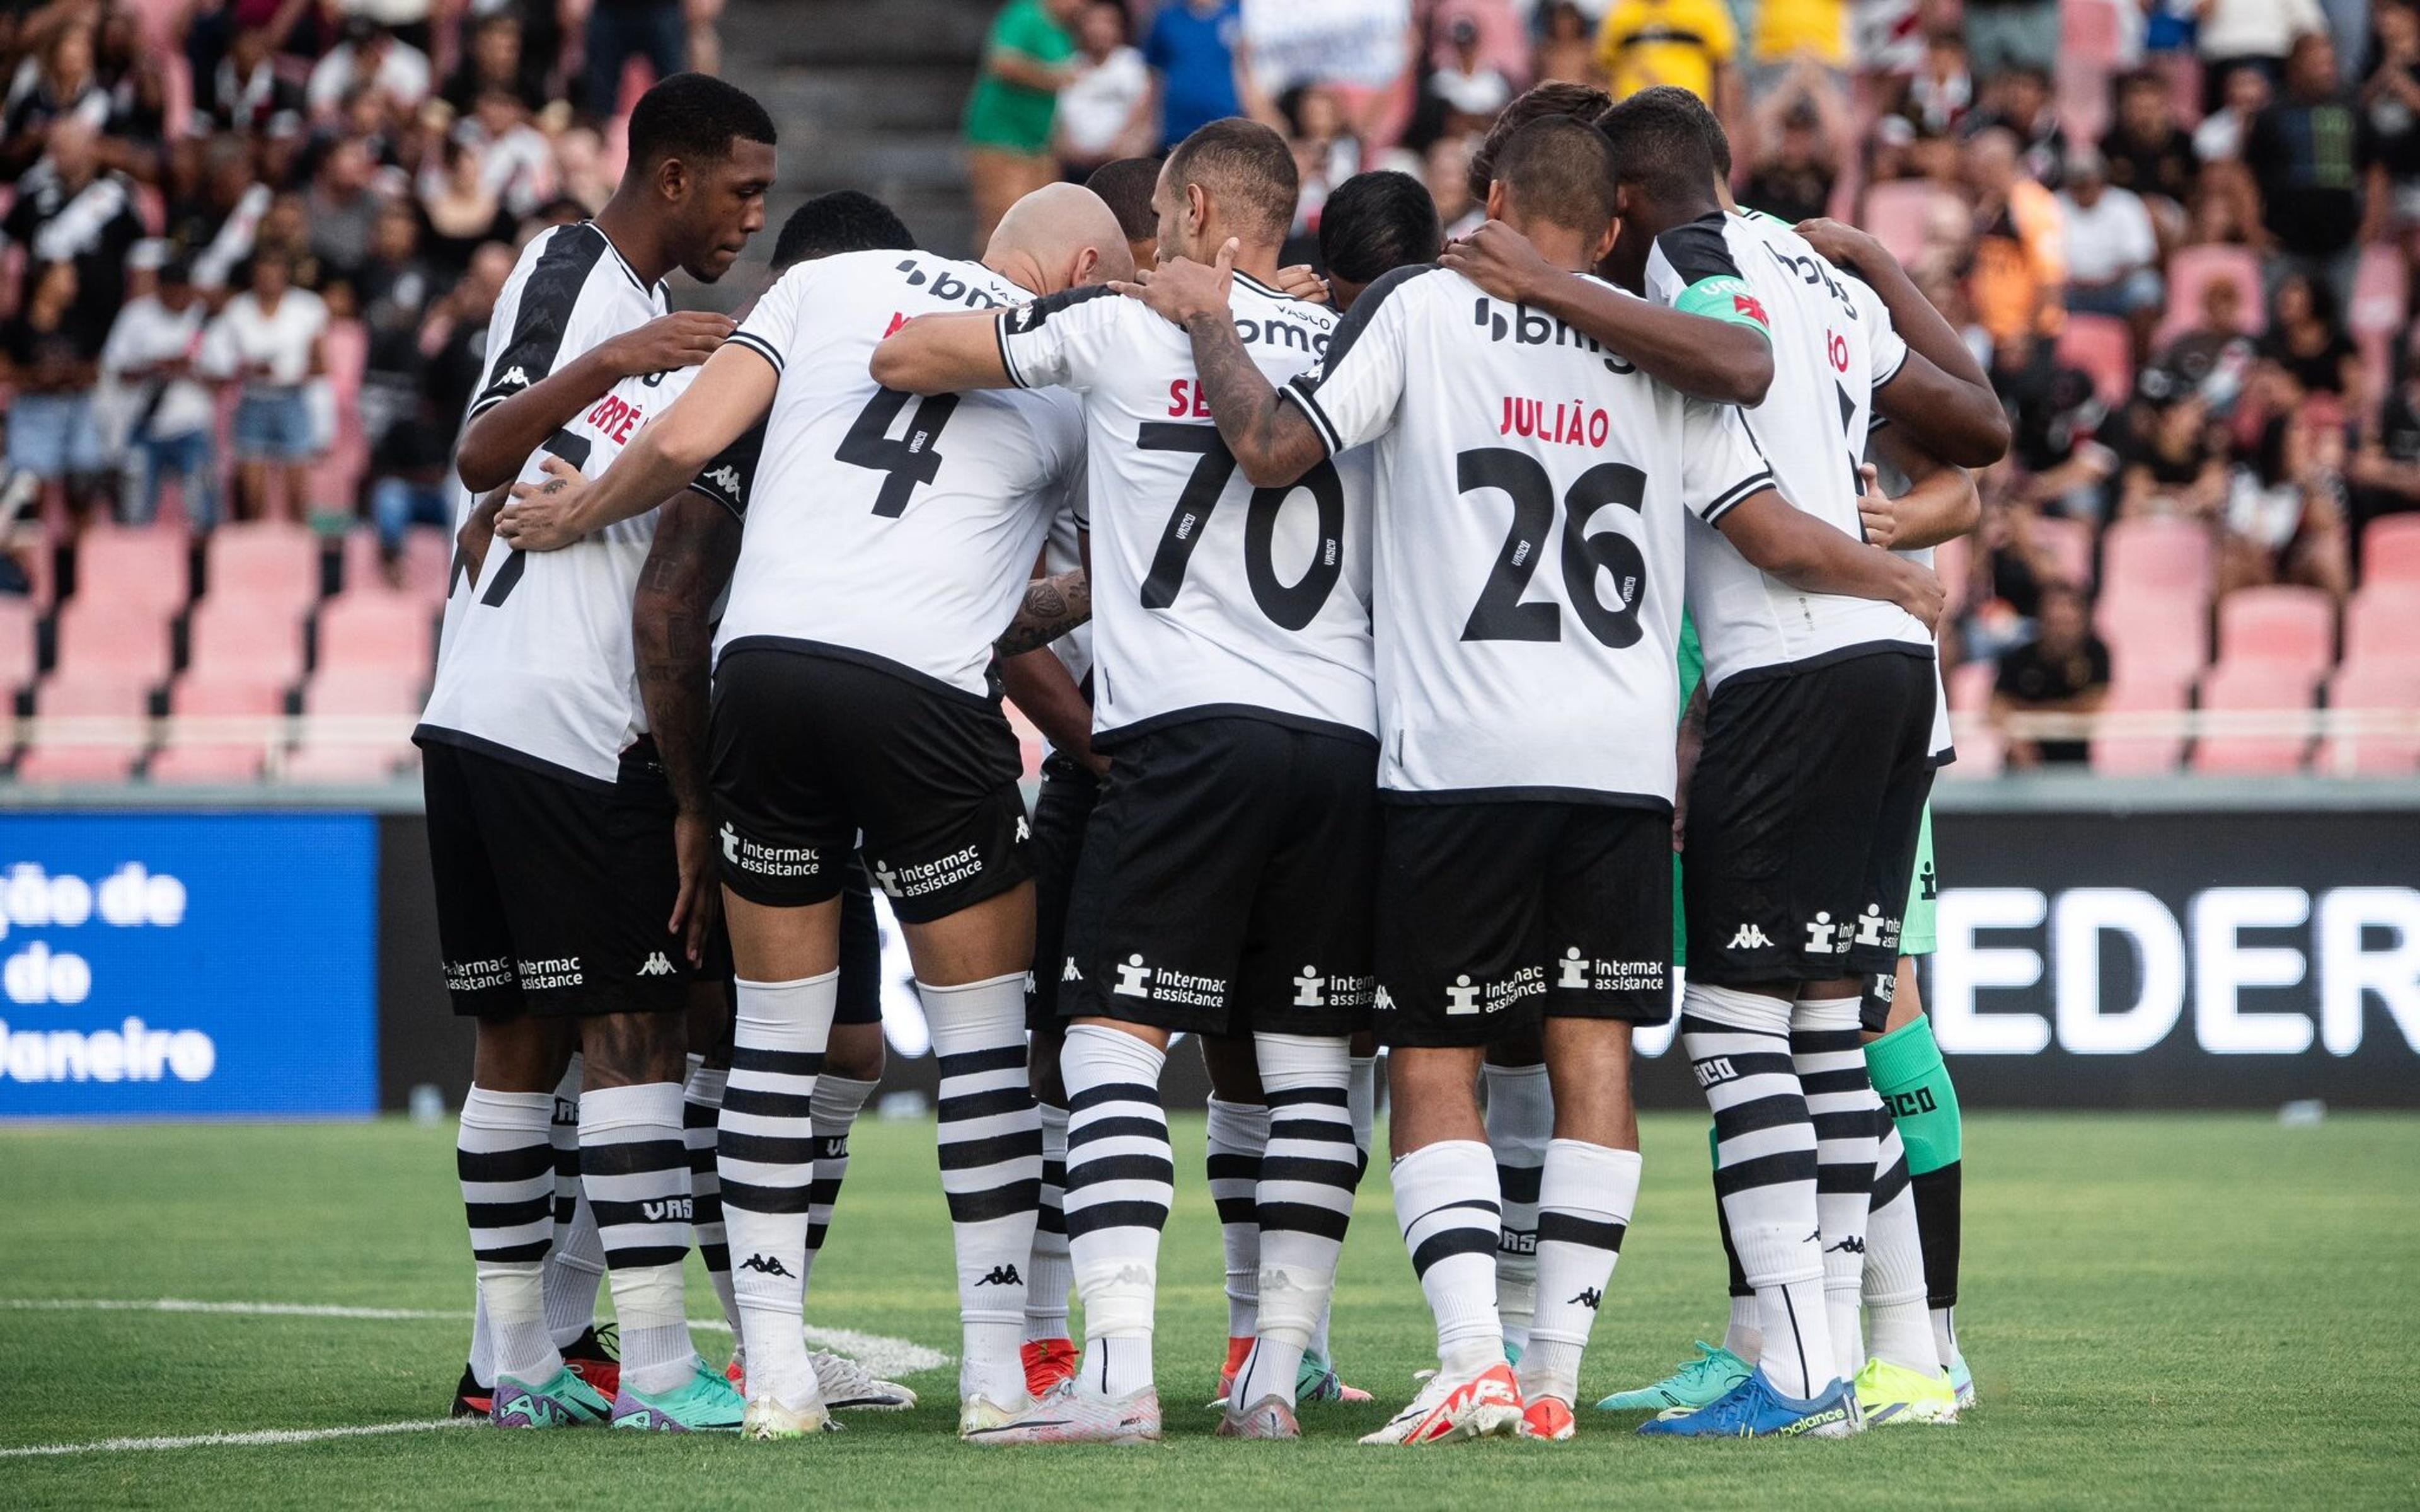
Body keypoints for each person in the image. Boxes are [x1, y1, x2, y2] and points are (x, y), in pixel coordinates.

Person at [1135, 114, 1773, 1448]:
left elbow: (1270, 451)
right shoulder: (1649, 345)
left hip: (1461, 757)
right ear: (1611, 231)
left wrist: (1214, 319)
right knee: (1592, 1050)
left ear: (1484, 198)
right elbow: (1755, 512)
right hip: (1616, 760)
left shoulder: (1424, 306)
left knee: (1437, 1056)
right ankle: (1550, 1377)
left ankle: (1472, 1358)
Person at [493, 180, 1123, 1441]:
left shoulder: (825, 284)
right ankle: (1000, 1379)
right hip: (928, 701)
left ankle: (775, 1376)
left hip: (766, 675)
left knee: (771, 1047)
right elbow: (1115, 570)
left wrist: (573, 509)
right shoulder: (1072, 360)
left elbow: (678, 448)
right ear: (1080, 268)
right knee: (987, 1050)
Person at [872, 120, 1374, 1446]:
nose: (1151, 243)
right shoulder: (1356, 347)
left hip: (1188, 734)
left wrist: (1101, 296)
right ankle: (1274, 1378)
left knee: (1107, 1049)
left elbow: (909, 353)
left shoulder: (1119, 327)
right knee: (1308, 1065)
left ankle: (1120, 1376)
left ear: (1199, 211)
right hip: (1341, 740)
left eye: (1158, 220)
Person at [412, 71, 776, 1434]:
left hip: (478, 710)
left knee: (519, 1043)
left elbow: (491, 504)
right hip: (568, 721)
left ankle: (514, 1367)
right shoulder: (583, 276)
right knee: (635, 1032)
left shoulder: (642, 313)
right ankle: (667, 1372)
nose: (753, 212)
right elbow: (477, 456)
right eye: (741, 186)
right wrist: (615, 362)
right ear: (671, 177)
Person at [627, 190, 925, 1421]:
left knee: (845, 1048)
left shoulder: (870, 407)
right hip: (707, 757)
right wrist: (690, 799)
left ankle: (772, 1327)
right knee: (716, 1041)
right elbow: (668, 606)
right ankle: (743, 1336)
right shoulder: (759, 410)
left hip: (814, 754)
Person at [2244, 32, 2378, 314]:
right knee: (2279, 324)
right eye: (2317, 62)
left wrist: (2370, 225)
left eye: (2329, 61)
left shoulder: (2353, 109)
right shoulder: (2272, 113)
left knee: (2339, 326)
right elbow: (2244, 173)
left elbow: (2376, 169)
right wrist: (2253, 229)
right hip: (2284, 243)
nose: (2326, 68)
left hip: (2342, 241)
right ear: (2296, 65)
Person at [200, 247, 330, 521]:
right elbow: (221, 362)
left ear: (286, 274)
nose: (269, 277)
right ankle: (252, 555)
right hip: (253, 400)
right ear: (254, 274)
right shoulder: (237, 309)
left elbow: (321, 365)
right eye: (263, 271)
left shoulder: (308, 308)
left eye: (276, 270)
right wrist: (247, 368)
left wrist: (288, 372)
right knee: (252, 496)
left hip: (292, 398)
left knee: (297, 495)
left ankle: (299, 556)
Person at [101, 256, 219, 529]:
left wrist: (187, 370)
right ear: (160, 289)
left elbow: (221, 380)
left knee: (203, 513)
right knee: (136, 515)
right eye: (171, 290)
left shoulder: (204, 318)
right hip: (145, 426)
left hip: (192, 428)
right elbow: (117, 372)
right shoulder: (136, 316)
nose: (179, 297)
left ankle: (205, 570)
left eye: (183, 290)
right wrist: (156, 367)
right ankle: (135, 569)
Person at [963, 0, 1083, 250]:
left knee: (1043, 225)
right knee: (1004, 222)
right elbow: (1003, 61)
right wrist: (1053, 78)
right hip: (1002, 139)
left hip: (1038, 144)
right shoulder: (1026, 14)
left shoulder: (1061, 29)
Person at [1990, 581, 2110, 764]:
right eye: (2055, 621)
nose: (2061, 630)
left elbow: (2090, 707)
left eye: (2067, 622)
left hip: (2075, 765)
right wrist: (2016, 739)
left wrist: (2024, 713)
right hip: (2022, 768)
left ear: (2083, 621)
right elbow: (1996, 706)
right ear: (2041, 618)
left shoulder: (2095, 653)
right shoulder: (2020, 656)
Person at [2058, 149, 2162, 338]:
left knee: (2146, 289)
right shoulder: (2054, 204)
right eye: (2076, 182)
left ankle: (2140, 362)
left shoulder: (2125, 204)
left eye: (2087, 181)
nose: (2082, 187)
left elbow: (2142, 256)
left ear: (2101, 180)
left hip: (2117, 287)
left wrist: (2108, 280)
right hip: (2071, 289)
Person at [1054, 1, 1153, 178]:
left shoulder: (1131, 64)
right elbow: (1060, 118)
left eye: (1108, 22)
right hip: (1076, 166)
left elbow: (1142, 111)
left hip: (1119, 166)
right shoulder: (1071, 65)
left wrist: (1118, 145)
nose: (1099, 29)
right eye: (1093, 22)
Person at [1142, 0, 1245, 149]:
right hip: (1176, 131)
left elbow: (1249, 72)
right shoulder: (1166, 17)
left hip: (1227, 127)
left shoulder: (1239, 12)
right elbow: (1154, 77)